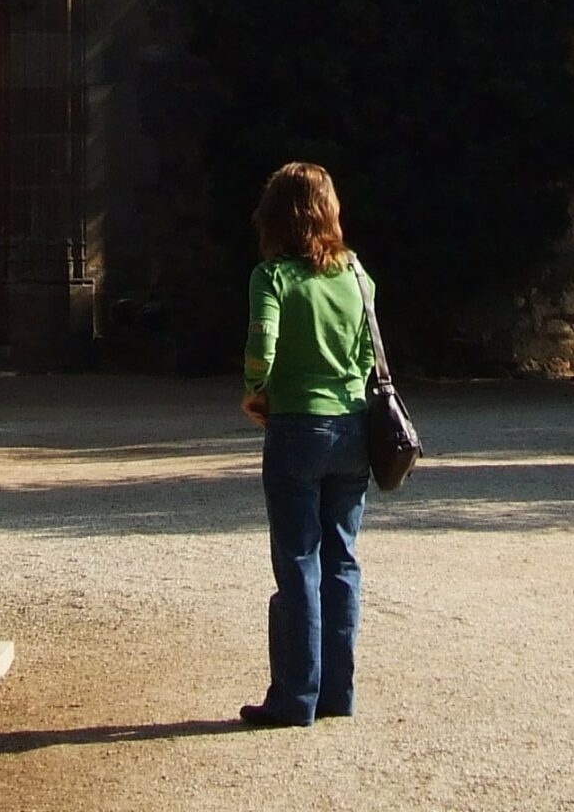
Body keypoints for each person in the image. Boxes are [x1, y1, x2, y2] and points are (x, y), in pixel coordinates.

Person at [239, 160, 375, 729]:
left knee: (298, 562)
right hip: (353, 428)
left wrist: (256, 392)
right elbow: (368, 355)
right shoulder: (356, 275)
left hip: (296, 426)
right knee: (342, 558)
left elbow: (261, 350)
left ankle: (296, 697)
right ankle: (337, 692)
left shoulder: (272, 278)